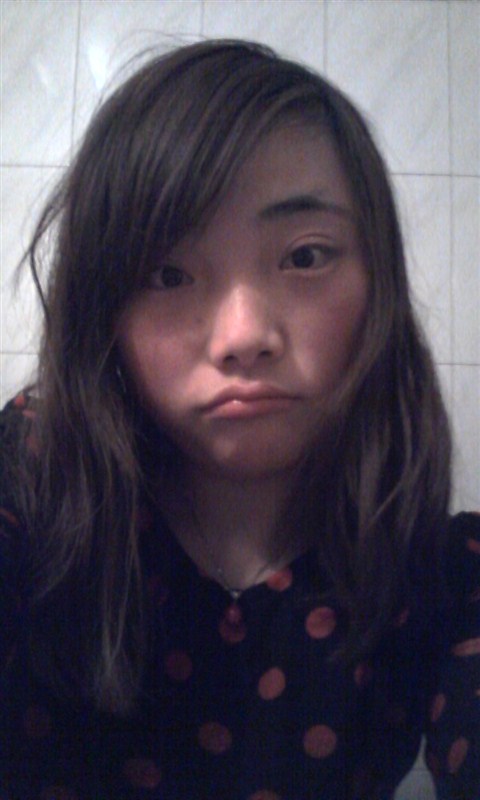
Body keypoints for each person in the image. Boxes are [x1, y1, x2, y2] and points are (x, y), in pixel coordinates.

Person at [0, 39, 478, 800]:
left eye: (305, 257)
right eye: (167, 274)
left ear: (378, 280)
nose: (243, 336)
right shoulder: (32, 482)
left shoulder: (441, 574)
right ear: (104, 311)